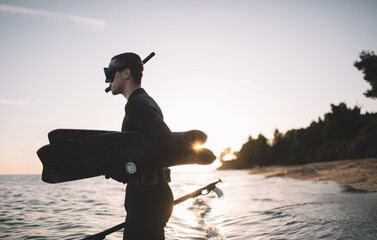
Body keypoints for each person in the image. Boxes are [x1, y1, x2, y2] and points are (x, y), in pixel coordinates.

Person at [103, 52, 176, 240]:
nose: (107, 79)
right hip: (154, 194)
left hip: (146, 198)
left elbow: (166, 142)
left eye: (111, 72)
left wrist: (128, 168)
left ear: (126, 73)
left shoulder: (135, 104)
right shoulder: (145, 100)